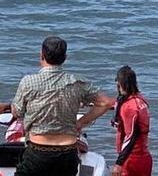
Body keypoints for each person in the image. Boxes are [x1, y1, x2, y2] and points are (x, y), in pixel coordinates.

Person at [10, 36, 114, 176]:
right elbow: (105, 103)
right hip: (68, 152)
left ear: (41, 55)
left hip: (38, 151)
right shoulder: (76, 82)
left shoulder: (28, 82)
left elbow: (16, 112)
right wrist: (80, 123)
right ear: (65, 57)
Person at [111, 66, 152, 176]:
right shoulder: (141, 100)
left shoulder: (129, 107)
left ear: (119, 83)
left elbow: (131, 137)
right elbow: (118, 103)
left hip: (131, 160)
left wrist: (119, 163)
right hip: (145, 158)